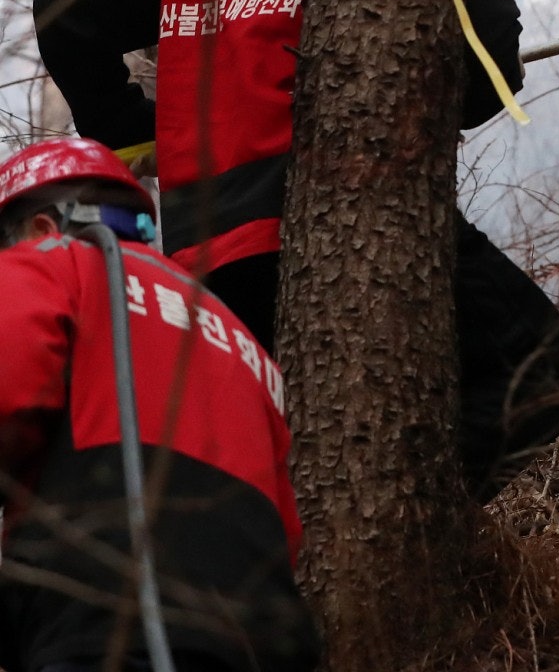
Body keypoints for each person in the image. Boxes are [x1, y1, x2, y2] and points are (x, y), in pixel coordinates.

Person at [33, 0, 559, 500]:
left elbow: (64, 3)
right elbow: (490, 55)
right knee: (548, 375)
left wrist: (129, 131)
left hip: (205, 266)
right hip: (359, 222)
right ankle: (403, 522)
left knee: (267, 449)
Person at [0, 137, 321, 672]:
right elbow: (294, 522)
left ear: (39, 230)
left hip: (104, 617)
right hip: (263, 641)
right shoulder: (240, 339)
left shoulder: (52, 264)